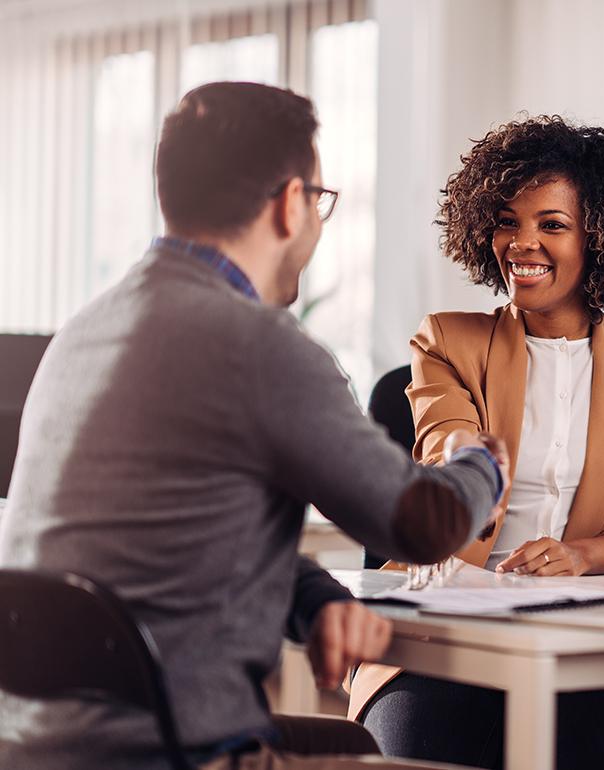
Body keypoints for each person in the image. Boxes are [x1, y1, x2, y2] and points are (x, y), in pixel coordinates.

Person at [0, 81, 508, 770]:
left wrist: (318, 601)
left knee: (355, 745)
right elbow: (425, 524)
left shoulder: (86, 332)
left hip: (34, 747)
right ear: (291, 203)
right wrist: (484, 461)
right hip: (174, 754)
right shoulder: (259, 345)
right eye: (322, 203)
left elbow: (188, 551)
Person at [348, 115, 604, 770]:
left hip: (593, 646)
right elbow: (447, 444)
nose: (521, 243)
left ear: (601, 235)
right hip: (445, 630)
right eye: (507, 220)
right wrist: (464, 463)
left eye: (551, 224)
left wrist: (579, 556)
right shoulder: (447, 340)